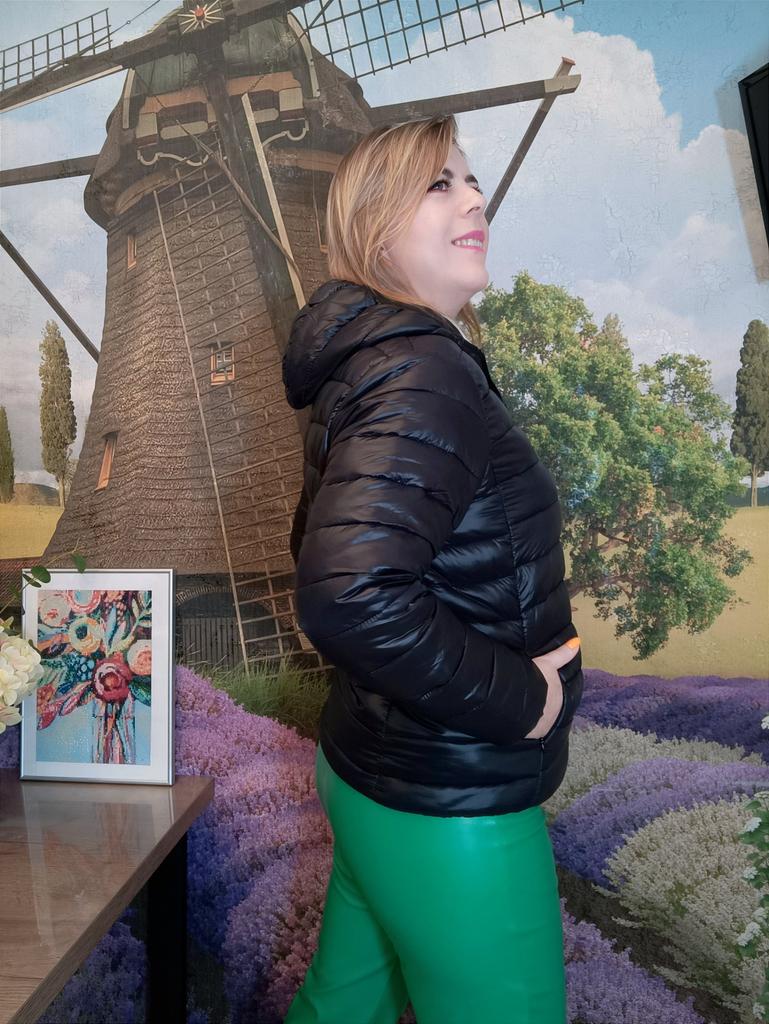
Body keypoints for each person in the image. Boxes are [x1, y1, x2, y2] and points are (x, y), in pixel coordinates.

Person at [281, 114, 583, 1024]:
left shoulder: (376, 364)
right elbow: (347, 594)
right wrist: (524, 702)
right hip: (447, 799)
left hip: (382, 770)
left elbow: (323, 550)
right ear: (375, 230)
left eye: (472, 179)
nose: (474, 198)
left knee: (342, 1009)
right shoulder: (420, 370)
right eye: (438, 183)